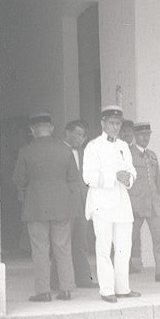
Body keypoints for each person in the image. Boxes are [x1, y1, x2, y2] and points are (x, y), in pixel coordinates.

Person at [12, 112, 78, 302]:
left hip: (36, 207)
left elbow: (18, 179)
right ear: (51, 129)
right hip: (61, 207)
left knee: (40, 249)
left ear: (33, 130)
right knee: (63, 247)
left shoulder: (26, 152)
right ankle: (66, 289)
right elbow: (73, 179)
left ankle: (43, 291)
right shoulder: (65, 150)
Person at [82, 105, 139, 304]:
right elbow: (88, 177)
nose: (115, 127)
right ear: (103, 124)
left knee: (124, 247)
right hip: (102, 204)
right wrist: (114, 176)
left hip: (122, 204)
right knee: (104, 248)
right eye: (112, 123)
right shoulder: (93, 146)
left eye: (118, 124)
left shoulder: (123, 146)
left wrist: (128, 178)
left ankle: (123, 288)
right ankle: (107, 290)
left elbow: (132, 170)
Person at [128, 121, 160, 284]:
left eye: (147, 135)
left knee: (159, 239)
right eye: (141, 135)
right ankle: (120, 271)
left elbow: (158, 181)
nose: (145, 138)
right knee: (128, 239)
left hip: (154, 205)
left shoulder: (152, 155)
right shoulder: (128, 154)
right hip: (136, 205)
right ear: (135, 136)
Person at [63, 119, 97, 290]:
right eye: (77, 134)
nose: (80, 138)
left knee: (82, 242)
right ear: (67, 133)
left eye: (83, 136)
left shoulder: (85, 153)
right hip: (65, 205)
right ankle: (59, 281)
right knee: (63, 243)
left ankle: (84, 279)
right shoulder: (59, 151)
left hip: (83, 204)